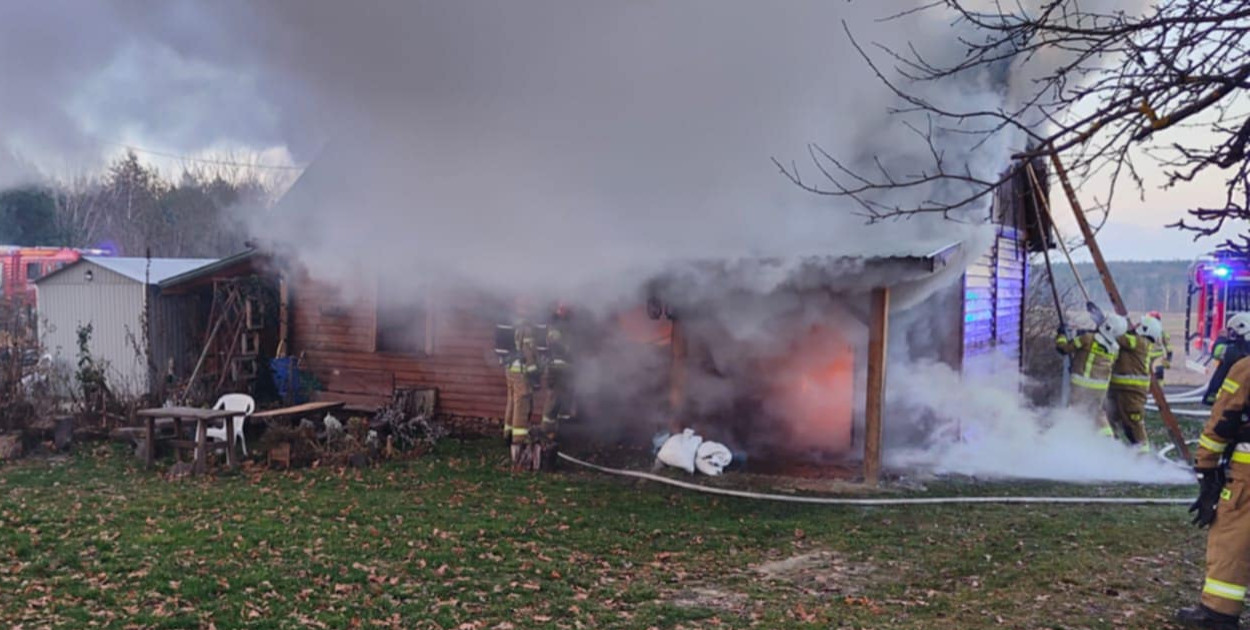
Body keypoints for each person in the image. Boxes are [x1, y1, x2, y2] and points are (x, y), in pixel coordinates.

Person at [1176, 354, 1250, 629]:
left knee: (1232, 537)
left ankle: (1218, 613)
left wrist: (1206, 470)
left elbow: (1223, 419)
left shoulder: (1246, 369)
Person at [1056, 311, 1126, 437]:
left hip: (1081, 385)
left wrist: (1061, 334)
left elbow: (1063, 348)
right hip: (1100, 389)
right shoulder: (1115, 349)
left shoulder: (1087, 338)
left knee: (1075, 412)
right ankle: (1108, 439)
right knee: (1098, 414)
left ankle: (1072, 439)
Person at [1106, 315, 1163, 453]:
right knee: (1111, 420)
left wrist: (1109, 325)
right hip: (1121, 390)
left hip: (1132, 394)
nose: (1135, 327)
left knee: (1134, 427)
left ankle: (1143, 461)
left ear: (1144, 329)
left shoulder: (1138, 342)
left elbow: (1117, 337)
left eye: (1138, 325)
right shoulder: (1142, 343)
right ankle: (1112, 452)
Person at [495, 299, 540, 464]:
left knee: (512, 402)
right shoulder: (525, 328)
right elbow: (529, 354)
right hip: (521, 371)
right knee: (522, 404)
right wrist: (534, 375)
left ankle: (507, 434)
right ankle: (518, 443)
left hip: (509, 369)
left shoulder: (510, 323)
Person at [536, 302, 576, 471]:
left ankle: (554, 436)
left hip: (566, 369)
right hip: (554, 369)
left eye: (565, 306)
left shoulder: (569, 324)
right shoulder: (553, 324)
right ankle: (546, 435)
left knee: (561, 403)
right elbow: (556, 344)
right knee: (553, 401)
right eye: (560, 306)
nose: (563, 309)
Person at [1204, 313, 1250, 406]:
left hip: (1231, 399)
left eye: (1233, 332)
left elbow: (1217, 352)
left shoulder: (1234, 351)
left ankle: (1212, 396)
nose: (1232, 335)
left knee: (1223, 368)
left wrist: (1221, 338)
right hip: (1243, 397)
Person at [1147, 310, 1174, 382]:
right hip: (1148, 357)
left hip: (1156, 357)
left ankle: (1159, 390)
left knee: (1159, 374)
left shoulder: (1161, 331)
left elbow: (1167, 344)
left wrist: (1169, 356)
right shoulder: (1144, 331)